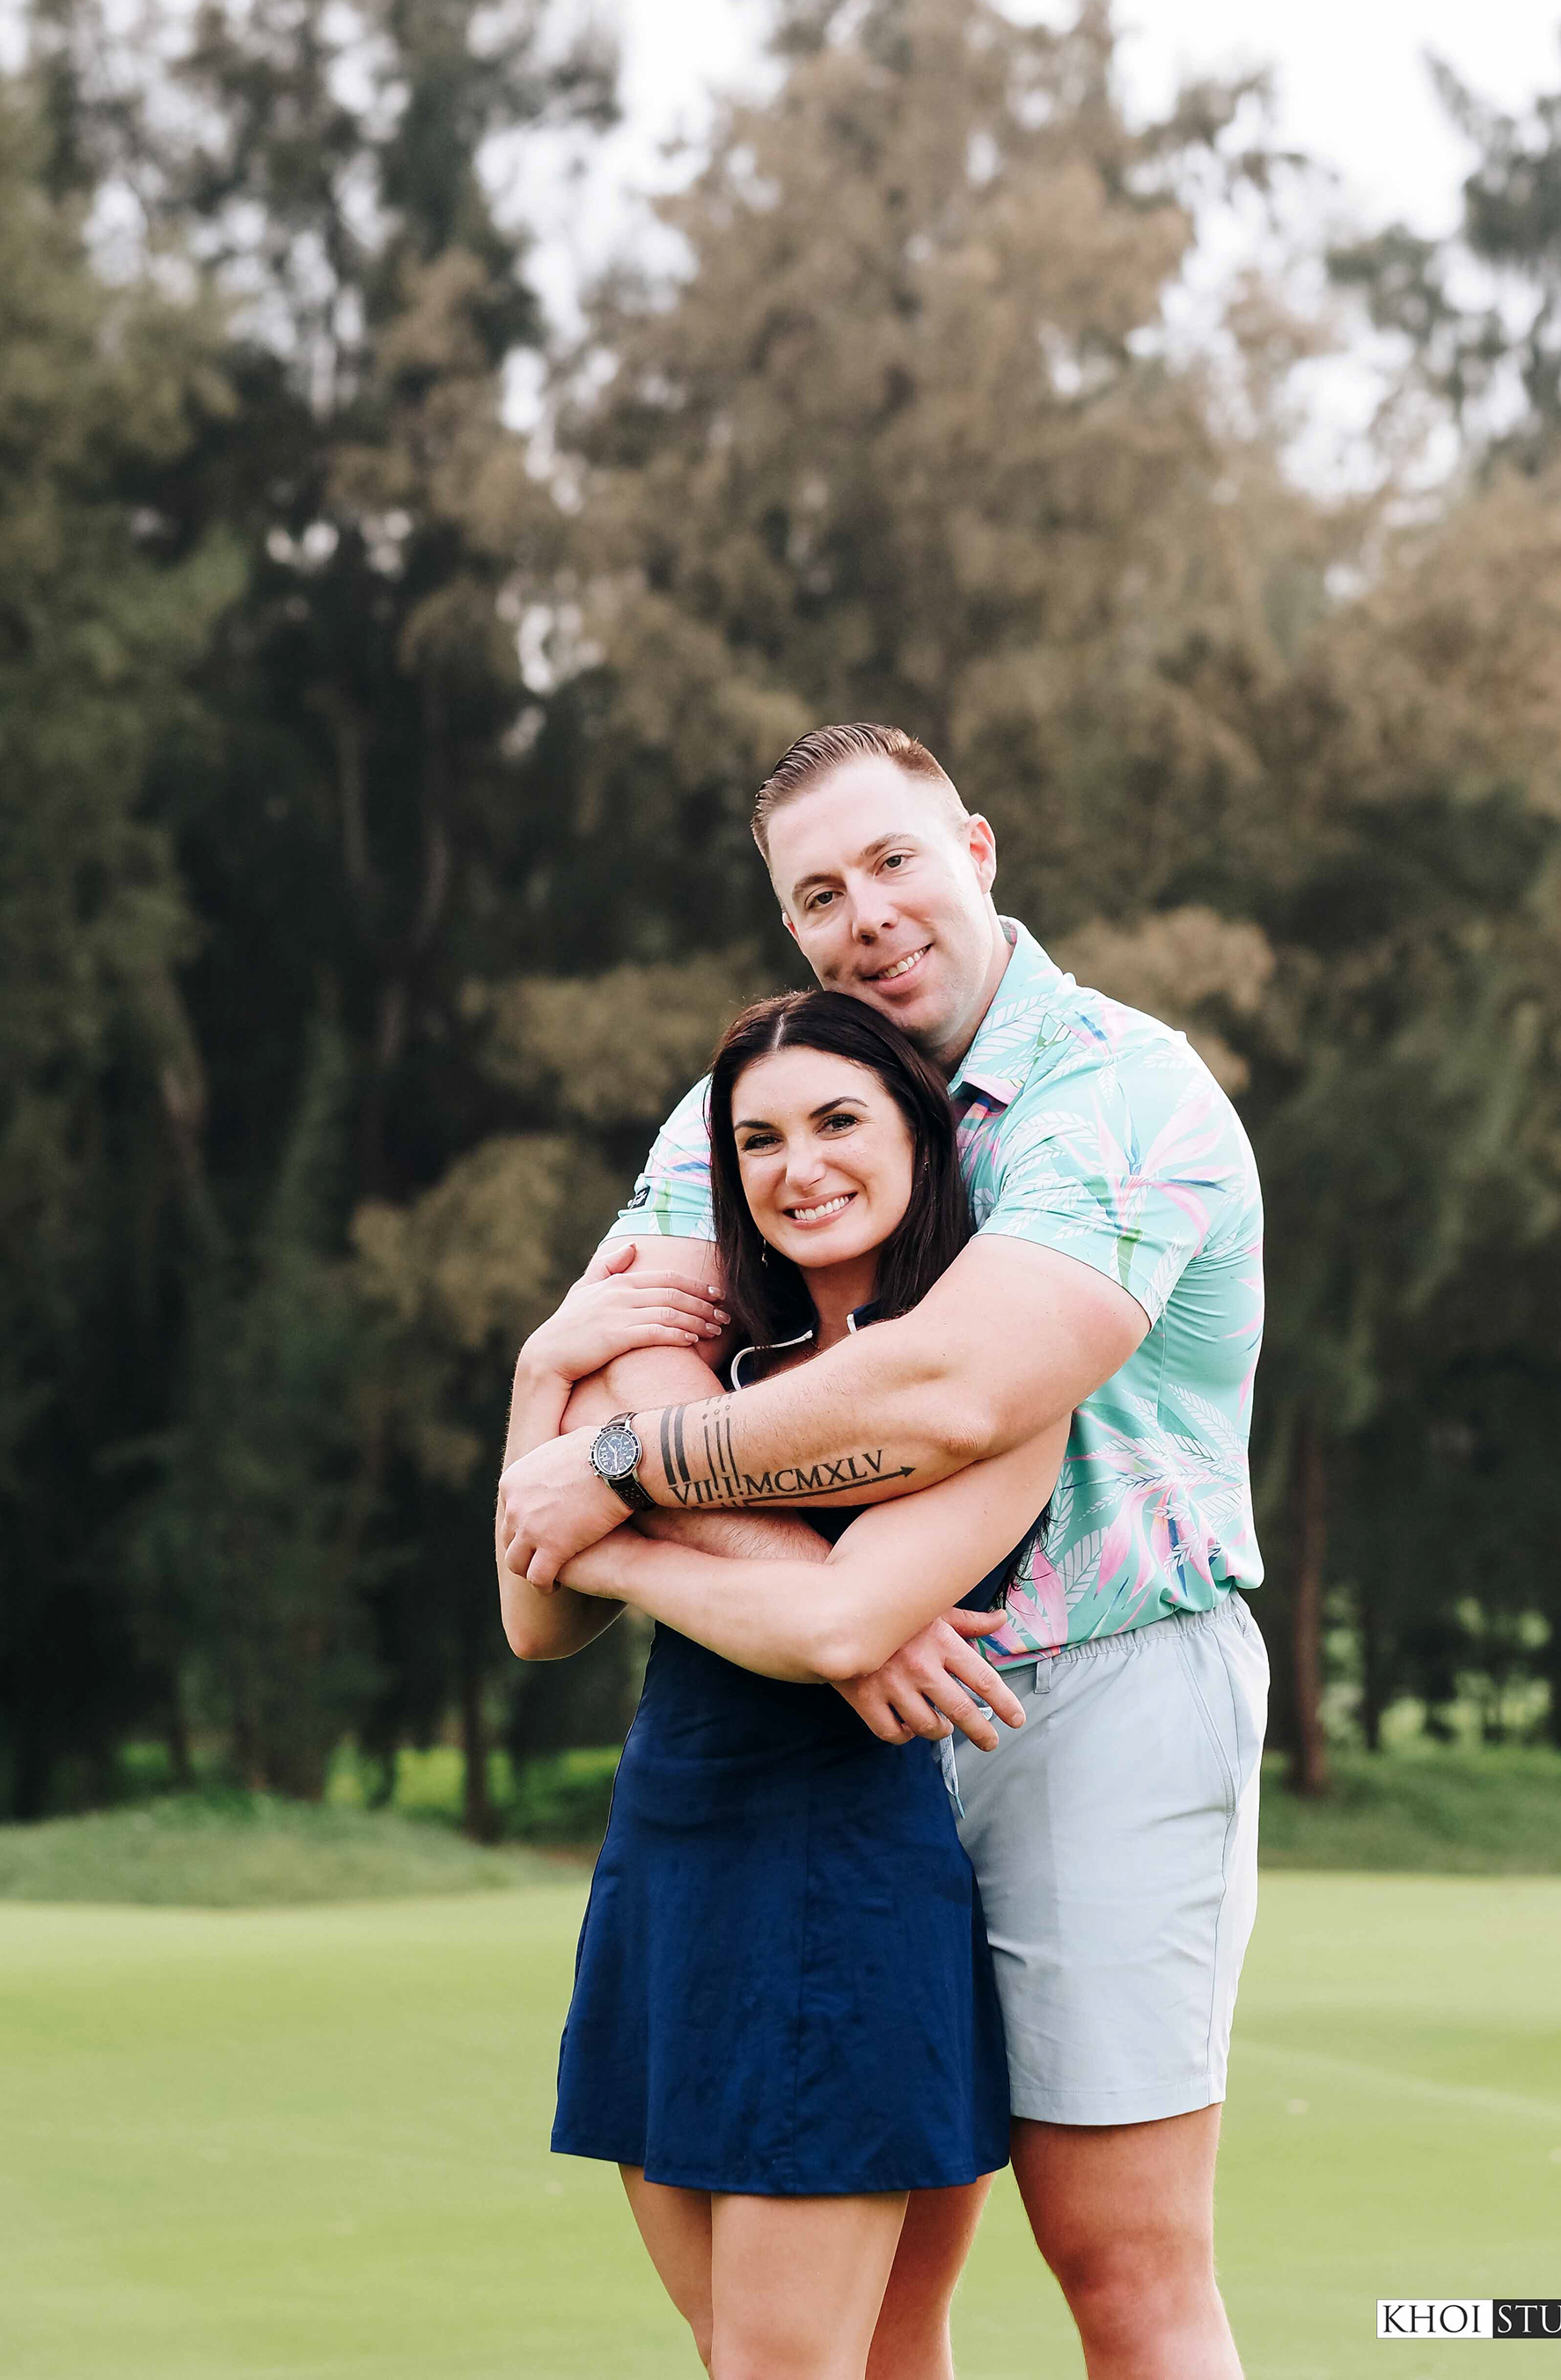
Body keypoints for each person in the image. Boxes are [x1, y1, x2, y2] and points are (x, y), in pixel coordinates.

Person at [502, 722, 1270, 2380]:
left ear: (977, 851)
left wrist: (632, 1482)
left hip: (1092, 1693)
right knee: (873, 2290)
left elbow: (956, 1390)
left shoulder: (1125, 1093)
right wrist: (813, 1603)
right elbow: (637, 1329)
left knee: (1119, 2256)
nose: (870, 913)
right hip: (830, 1731)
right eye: (820, 892)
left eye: (896, 862)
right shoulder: (779, 1089)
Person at [499, 987, 1067, 2380]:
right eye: (757, 1140)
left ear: (920, 1139)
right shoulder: (690, 1372)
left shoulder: (984, 1384)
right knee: (755, 2356)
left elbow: (828, 1632)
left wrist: (621, 1542)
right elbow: (531, 1615)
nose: (797, 1166)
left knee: (783, 2368)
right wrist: (538, 1378)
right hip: (668, 1865)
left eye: (836, 1121)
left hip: (842, 1883)